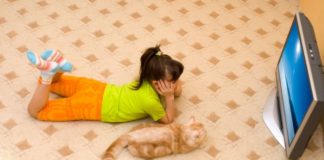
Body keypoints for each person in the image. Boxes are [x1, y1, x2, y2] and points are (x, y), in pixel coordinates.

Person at [26, 45, 184, 124]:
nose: (176, 83)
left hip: (97, 88)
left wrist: (174, 88)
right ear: (157, 83)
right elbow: (168, 119)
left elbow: (178, 89)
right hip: (92, 106)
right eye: (173, 81)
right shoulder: (150, 102)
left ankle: (56, 65)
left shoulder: (144, 75)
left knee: (46, 85)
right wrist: (169, 97)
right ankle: (47, 74)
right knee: (36, 111)